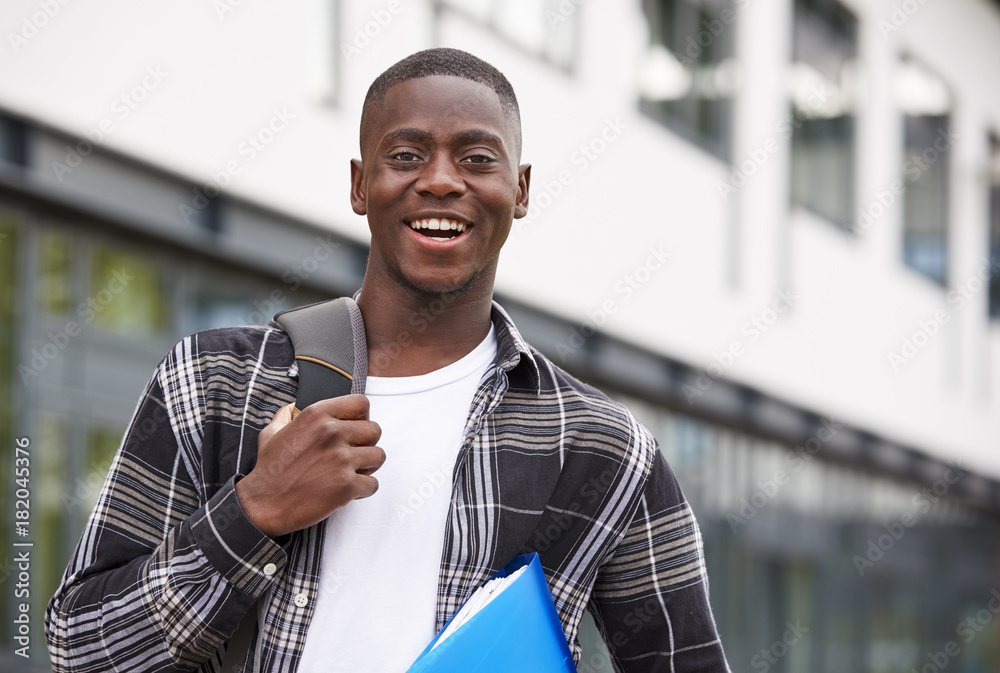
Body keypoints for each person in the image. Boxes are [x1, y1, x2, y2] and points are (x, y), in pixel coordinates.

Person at [45, 48, 731, 673]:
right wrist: (254, 510)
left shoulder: (603, 447)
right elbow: (79, 648)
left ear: (519, 190)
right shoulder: (212, 381)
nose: (440, 181)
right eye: (405, 155)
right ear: (359, 184)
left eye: (477, 158)